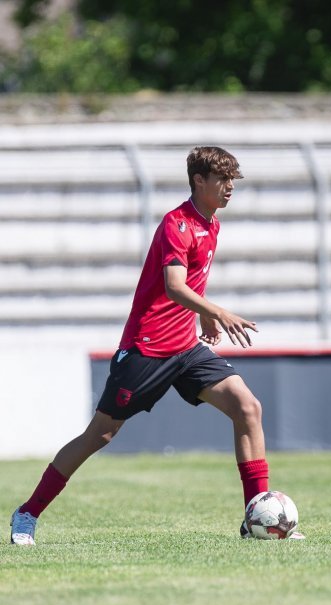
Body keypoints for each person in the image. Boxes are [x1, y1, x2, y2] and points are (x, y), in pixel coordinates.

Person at [10, 146, 302, 545]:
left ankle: (255, 519)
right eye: (222, 180)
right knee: (100, 434)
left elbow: (191, 283)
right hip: (147, 348)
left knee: (247, 407)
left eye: (233, 180)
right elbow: (174, 286)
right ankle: (27, 512)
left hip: (185, 348)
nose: (230, 188)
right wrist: (218, 311)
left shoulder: (211, 223)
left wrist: (201, 317)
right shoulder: (176, 225)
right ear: (199, 181)